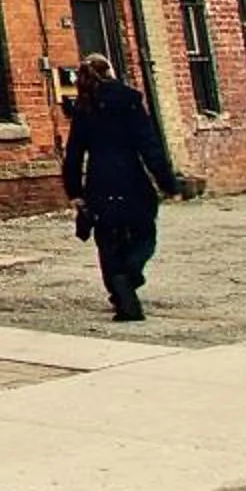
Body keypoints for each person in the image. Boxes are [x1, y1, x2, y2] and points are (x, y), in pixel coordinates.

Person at [60, 53, 183, 321]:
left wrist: (75, 192)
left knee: (107, 240)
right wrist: (167, 182)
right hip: (131, 177)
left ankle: (122, 292)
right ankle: (130, 276)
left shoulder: (84, 106)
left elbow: (73, 154)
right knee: (144, 233)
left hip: (100, 180)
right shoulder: (130, 99)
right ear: (111, 71)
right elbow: (149, 145)